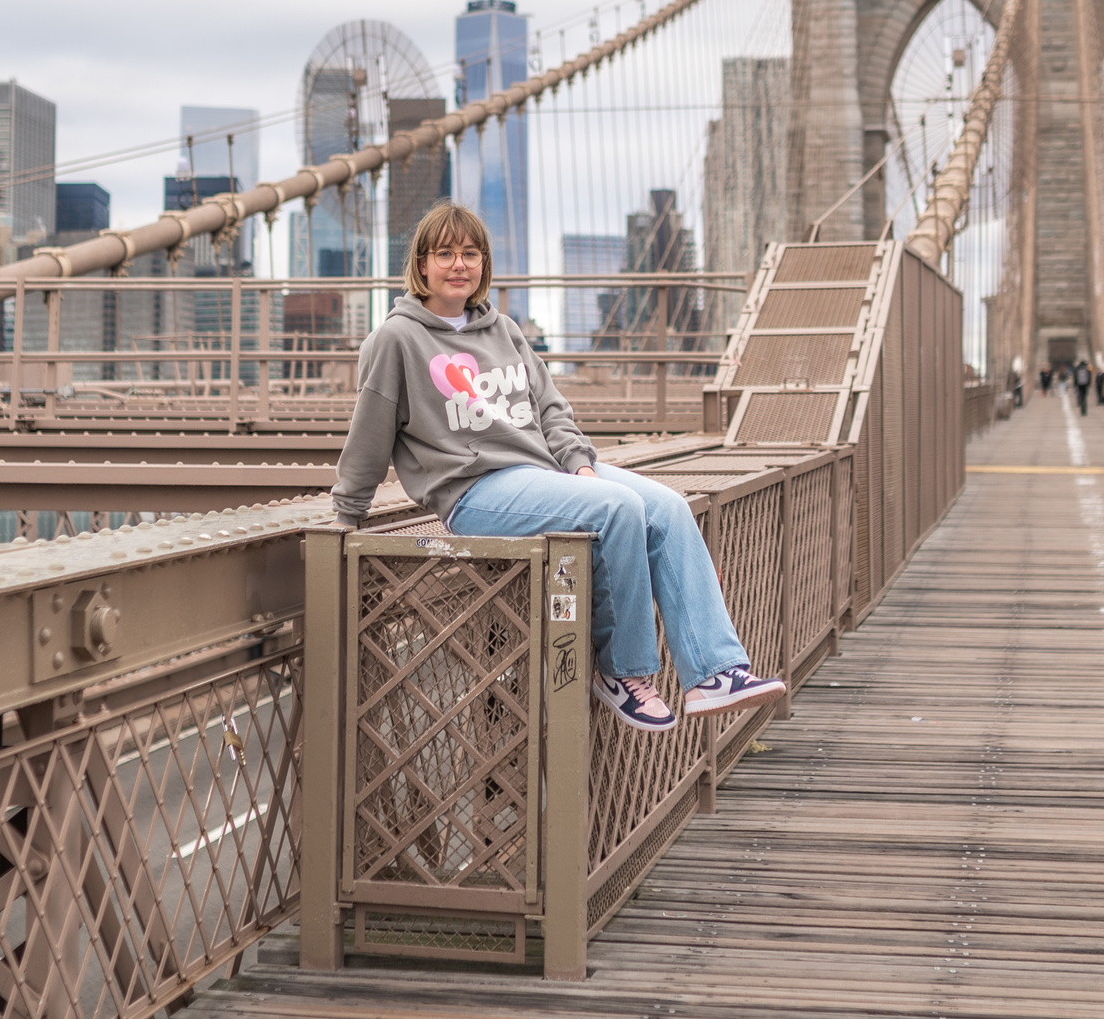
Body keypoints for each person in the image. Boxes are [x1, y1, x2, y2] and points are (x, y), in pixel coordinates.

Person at [331, 203, 787, 733]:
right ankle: (623, 672)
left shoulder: (504, 329)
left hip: (542, 471)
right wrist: (346, 514)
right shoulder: (395, 339)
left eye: (471, 254)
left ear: (484, 263)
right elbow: (369, 434)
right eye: (446, 254)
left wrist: (579, 466)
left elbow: (550, 409)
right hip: (474, 491)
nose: (459, 264)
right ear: (422, 264)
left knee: (666, 507)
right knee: (618, 509)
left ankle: (715, 672)